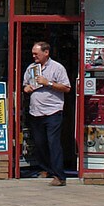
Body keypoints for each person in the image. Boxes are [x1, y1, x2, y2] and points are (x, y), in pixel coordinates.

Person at [22, 39, 71, 185]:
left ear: (46, 52)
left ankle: (59, 176)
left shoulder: (57, 68)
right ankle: (46, 168)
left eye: (36, 54)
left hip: (53, 112)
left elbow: (67, 88)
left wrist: (48, 83)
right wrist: (27, 88)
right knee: (39, 143)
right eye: (33, 54)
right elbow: (25, 85)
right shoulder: (31, 68)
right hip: (36, 112)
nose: (34, 57)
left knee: (53, 143)